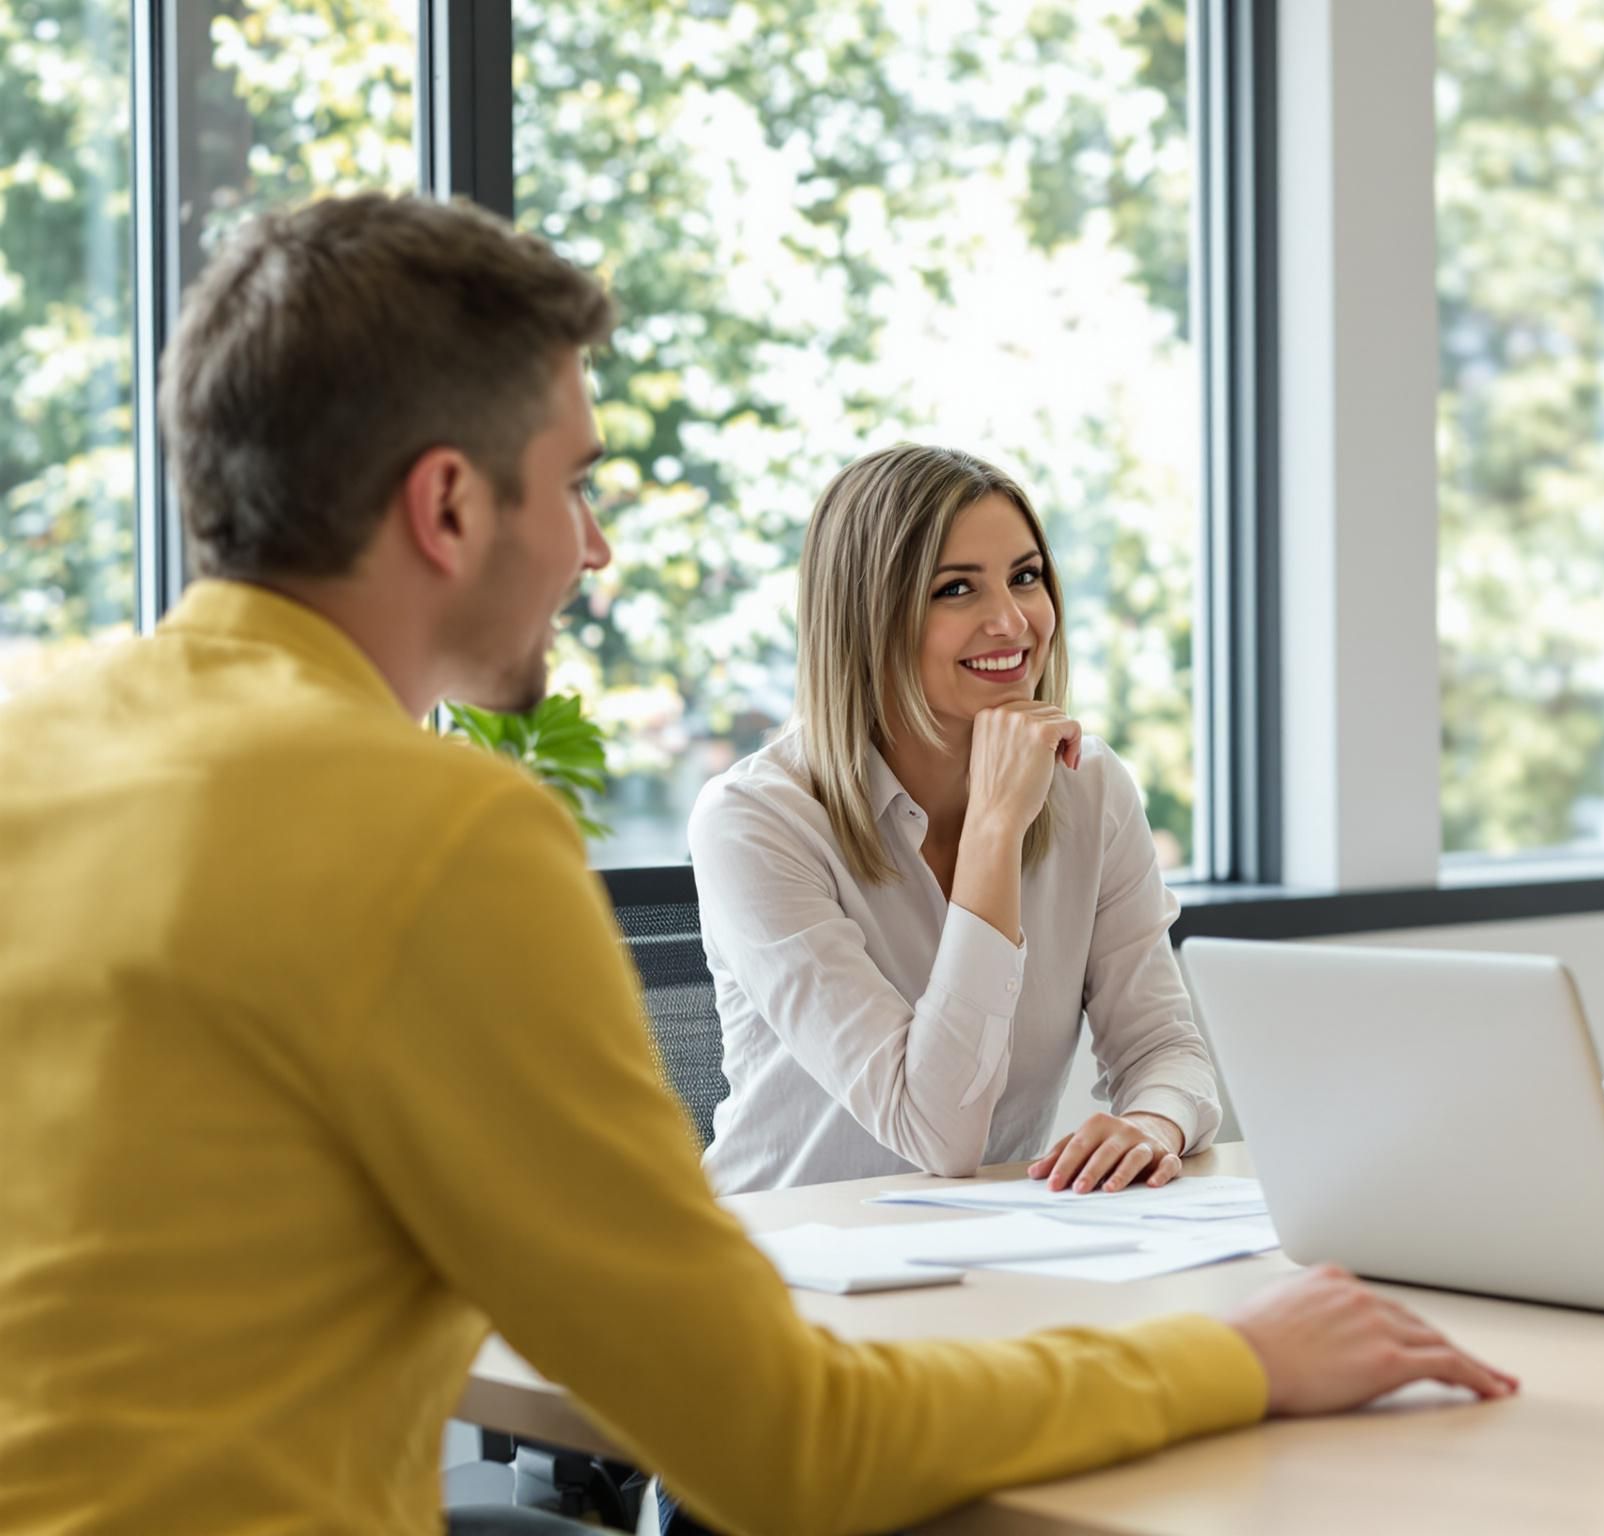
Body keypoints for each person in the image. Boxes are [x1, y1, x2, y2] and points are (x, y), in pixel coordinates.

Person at [0, 193, 1512, 1536]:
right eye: (575, 483)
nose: (593, 551)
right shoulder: (438, 835)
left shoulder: (30, 768)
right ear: (450, 505)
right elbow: (789, 1447)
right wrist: (1236, 1356)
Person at [690, 444, 1214, 1198]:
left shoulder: (1089, 787)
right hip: (787, 1266)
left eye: (1025, 578)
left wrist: (1152, 1126)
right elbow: (934, 1131)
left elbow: (1166, 1048)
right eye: (955, 589)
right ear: (867, 617)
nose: (1011, 621)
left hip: (989, 1253)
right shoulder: (756, 821)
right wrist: (995, 829)